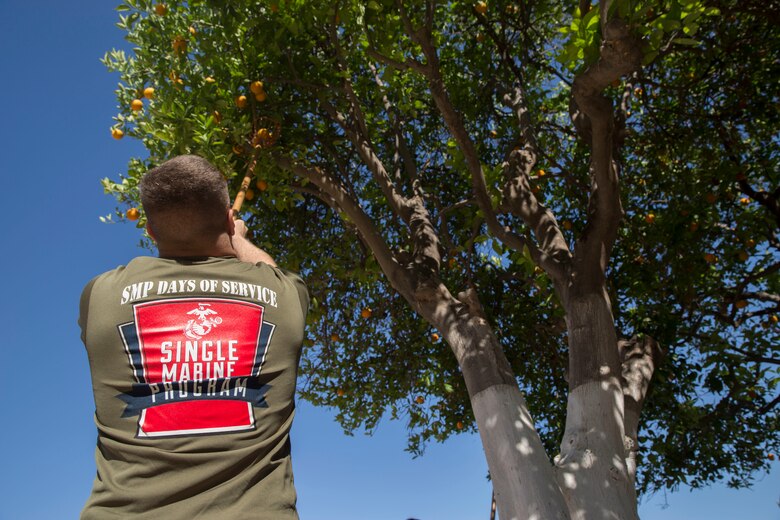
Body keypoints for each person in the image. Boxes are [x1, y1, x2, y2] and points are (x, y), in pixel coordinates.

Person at [78, 155, 308, 519]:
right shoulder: (284, 294)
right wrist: (238, 239)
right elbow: (272, 273)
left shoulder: (101, 295)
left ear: (151, 232)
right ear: (229, 220)